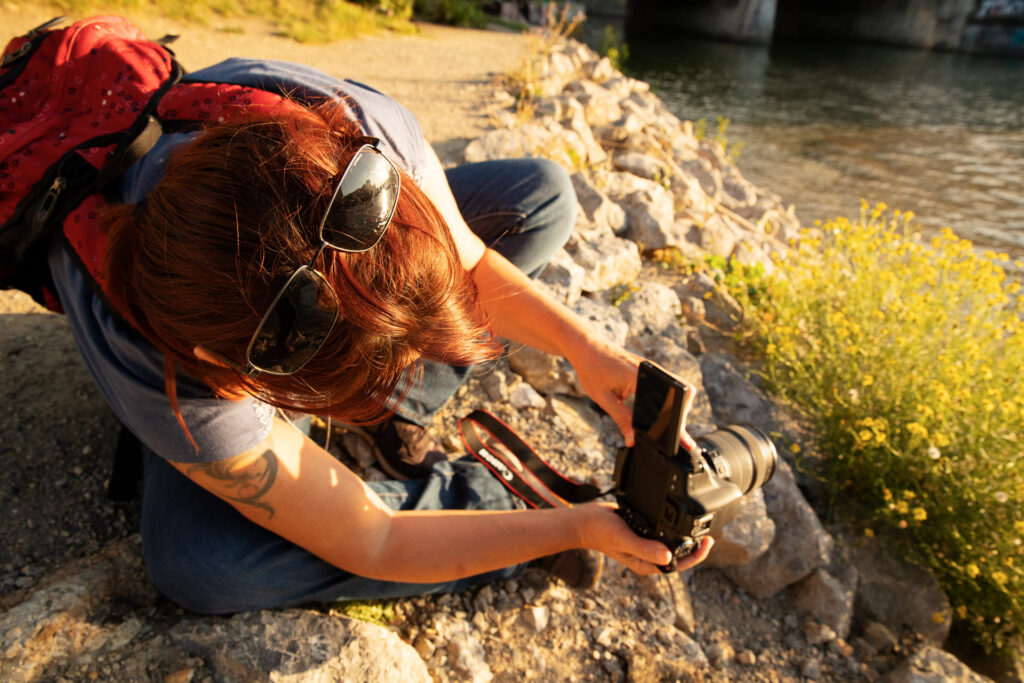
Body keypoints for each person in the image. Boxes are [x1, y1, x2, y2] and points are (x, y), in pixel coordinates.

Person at [51, 58, 712, 614]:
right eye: (367, 385)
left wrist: (586, 349)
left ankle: (388, 418)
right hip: (209, 323)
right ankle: (478, 495)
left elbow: (473, 262)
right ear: (234, 372)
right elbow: (376, 542)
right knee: (202, 564)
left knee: (541, 197)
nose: (417, 362)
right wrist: (563, 526)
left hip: (275, 255)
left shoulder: (360, 130)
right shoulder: (168, 373)